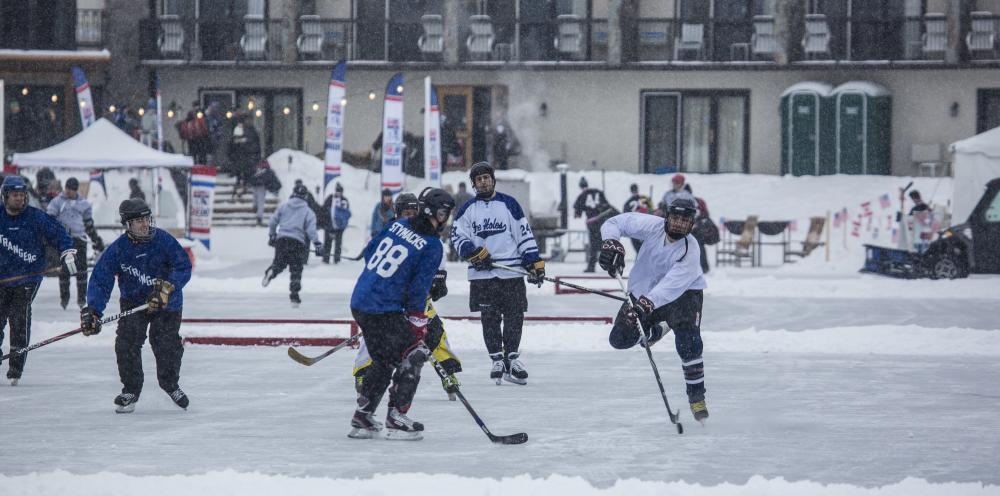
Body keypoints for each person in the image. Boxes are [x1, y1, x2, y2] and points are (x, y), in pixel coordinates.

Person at [348, 188, 455, 440]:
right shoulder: (432, 245)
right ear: (431, 211)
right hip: (382, 308)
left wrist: (383, 282)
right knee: (414, 354)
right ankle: (396, 418)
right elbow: (419, 289)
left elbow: (372, 250)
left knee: (384, 360)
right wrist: (418, 322)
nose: (445, 218)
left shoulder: (399, 224)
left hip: (360, 300)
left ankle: (362, 417)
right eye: (443, 213)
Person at [598, 197, 710, 423]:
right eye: (675, 218)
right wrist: (612, 243)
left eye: (685, 221)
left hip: (683, 296)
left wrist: (646, 305)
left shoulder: (691, 250)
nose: (679, 224)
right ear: (667, 217)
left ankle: (697, 397)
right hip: (643, 292)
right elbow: (613, 223)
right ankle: (656, 331)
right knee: (619, 339)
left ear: (691, 224)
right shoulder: (652, 226)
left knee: (689, 344)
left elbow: (671, 286)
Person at [80, 199, 192, 413]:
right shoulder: (118, 249)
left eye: (146, 219)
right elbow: (101, 280)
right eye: (139, 221)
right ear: (128, 224)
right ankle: (130, 390)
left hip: (167, 302)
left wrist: (168, 286)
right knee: (126, 344)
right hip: (134, 302)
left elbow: (183, 265)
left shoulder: (164, 240)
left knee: (166, 344)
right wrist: (93, 310)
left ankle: (170, 384)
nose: (145, 225)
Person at [451, 162, 545, 385]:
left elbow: (523, 234)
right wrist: (472, 253)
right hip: (482, 275)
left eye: (486, 177)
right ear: (474, 184)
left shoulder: (509, 204)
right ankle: (496, 359)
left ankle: (511, 358)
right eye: (478, 179)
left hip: (510, 273)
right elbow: (457, 236)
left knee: (515, 316)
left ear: (493, 180)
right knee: (489, 319)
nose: (483, 181)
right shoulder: (467, 209)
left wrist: (533, 263)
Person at [0, 176, 76, 386]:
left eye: (22, 195)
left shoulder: (35, 217)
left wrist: (67, 252)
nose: (19, 199)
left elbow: (59, 233)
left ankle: (15, 368)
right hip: (2, 279)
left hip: (28, 278)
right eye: (15, 195)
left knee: (19, 318)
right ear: (5, 196)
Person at [47, 177, 105, 309]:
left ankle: (81, 298)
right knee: (65, 269)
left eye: (72, 190)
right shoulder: (57, 202)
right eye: (67, 189)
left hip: (79, 239)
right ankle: (64, 298)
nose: (69, 192)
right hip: (64, 240)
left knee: (81, 269)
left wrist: (96, 239)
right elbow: (49, 220)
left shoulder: (83, 204)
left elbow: (89, 224)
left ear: (76, 190)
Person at [262, 184, 322, 307]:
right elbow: (311, 230)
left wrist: (272, 235)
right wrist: (317, 243)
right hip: (297, 242)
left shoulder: (284, 206)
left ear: (293, 193)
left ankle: (272, 271)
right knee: (296, 270)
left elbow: (273, 221)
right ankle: (294, 297)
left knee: (280, 263)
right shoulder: (308, 211)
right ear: (305, 196)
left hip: (282, 239)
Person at [573, 177, 613, 273]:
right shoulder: (598, 192)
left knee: (594, 246)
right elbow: (607, 206)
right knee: (604, 243)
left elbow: (577, 214)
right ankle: (612, 264)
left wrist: (579, 212)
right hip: (603, 221)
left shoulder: (582, 196)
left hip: (592, 223)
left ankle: (591, 267)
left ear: (580, 187)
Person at [228, 113, 261, 198]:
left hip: (246, 155)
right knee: (242, 171)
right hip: (243, 155)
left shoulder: (248, 130)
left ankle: (243, 185)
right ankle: (241, 186)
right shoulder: (243, 130)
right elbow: (234, 143)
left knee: (245, 171)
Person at [684, 183, 712, 274]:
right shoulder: (699, 201)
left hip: (691, 229)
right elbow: (706, 214)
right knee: (699, 248)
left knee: (689, 249)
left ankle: (699, 267)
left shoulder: (685, 202)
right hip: (697, 229)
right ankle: (704, 267)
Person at [321, 183, 351, 264]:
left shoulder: (344, 200)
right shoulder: (330, 198)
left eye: (340, 191)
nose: (338, 193)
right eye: (337, 191)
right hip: (329, 225)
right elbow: (323, 211)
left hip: (339, 227)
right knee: (327, 244)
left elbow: (347, 214)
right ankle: (325, 259)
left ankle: (337, 260)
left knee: (338, 245)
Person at [247, 160, 282, 226]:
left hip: (255, 184)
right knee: (261, 201)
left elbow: (251, 176)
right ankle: (259, 216)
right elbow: (270, 178)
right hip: (261, 186)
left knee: (255, 197)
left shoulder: (256, 168)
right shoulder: (267, 169)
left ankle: (255, 206)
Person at [622, 183, 654, 253]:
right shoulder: (645, 199)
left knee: (642, 251)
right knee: (642, 251)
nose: (635, 192)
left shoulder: (628, 203)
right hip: (640, 228)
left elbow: (652, 211)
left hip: (639, 228)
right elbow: (652, 212)